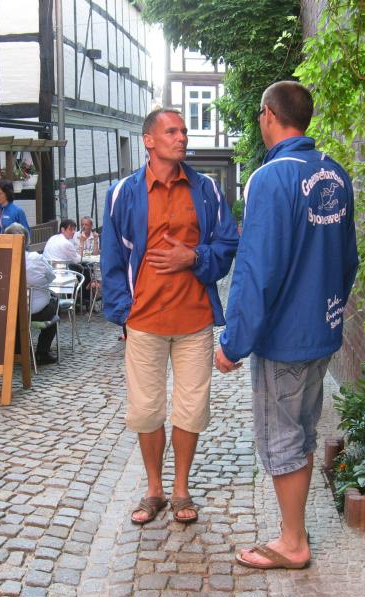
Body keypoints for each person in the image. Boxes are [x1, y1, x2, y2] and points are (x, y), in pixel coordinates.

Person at [215, 82, 359, 570]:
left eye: (261, 114)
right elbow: (348, 259)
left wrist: (233, 342)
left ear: (269, 116)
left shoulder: (270, 178)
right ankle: (294, 530)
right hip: (322, 330)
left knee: (281, 438)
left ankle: (293, 542)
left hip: (284, 339)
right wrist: (329, 310)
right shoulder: (336, 173)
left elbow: (256, 269)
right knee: (302, 432)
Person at [101, 108, 238, 526]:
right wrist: (124, 313)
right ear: (149, 140)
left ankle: (181, 489)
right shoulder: (122, 193)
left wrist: (193, 257)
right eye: (172, 131)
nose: (182, 137)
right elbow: (112, 257)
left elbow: (228, 244)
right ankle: (154, 489)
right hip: (144, 322)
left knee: (191, 410)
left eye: (184, 131)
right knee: (146, 410)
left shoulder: (206, 190)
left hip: (194, 321)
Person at [4, 223, 59, 365]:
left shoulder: (2, 262)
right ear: (26, 240)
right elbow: (51, 277)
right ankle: (42, 352)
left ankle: (19, 350)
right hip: (37, 312)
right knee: (54, 305)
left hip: (10, 312)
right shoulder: (36, 259)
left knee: (18, 313)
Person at [44, 219, 91, 301]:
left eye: (74, 229)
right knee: (86, 270)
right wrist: (82, 242)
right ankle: (83, 298)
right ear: (63, 229)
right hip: (61, 273)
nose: (73, 232)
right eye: (70, 229)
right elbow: (78, 260)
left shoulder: (53, 238)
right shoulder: (65, 243)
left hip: (48, 270)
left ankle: (78, 297)